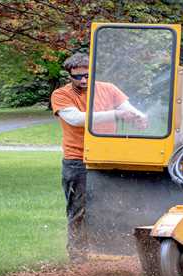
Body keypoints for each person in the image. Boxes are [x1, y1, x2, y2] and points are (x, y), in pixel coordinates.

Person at [51, 52, 147, 262]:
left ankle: (116, 252)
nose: (83, 80)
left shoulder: (109, 89)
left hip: (109, 157)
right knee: (79, 210)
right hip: (78, 160)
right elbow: (77, 120)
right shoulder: (61, 95)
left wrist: (139, 117)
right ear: (69, 75)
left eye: (87, 75)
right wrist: (117, 115)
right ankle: (78, 257)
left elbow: (128, 109)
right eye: (77, 76)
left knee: (116, 206)